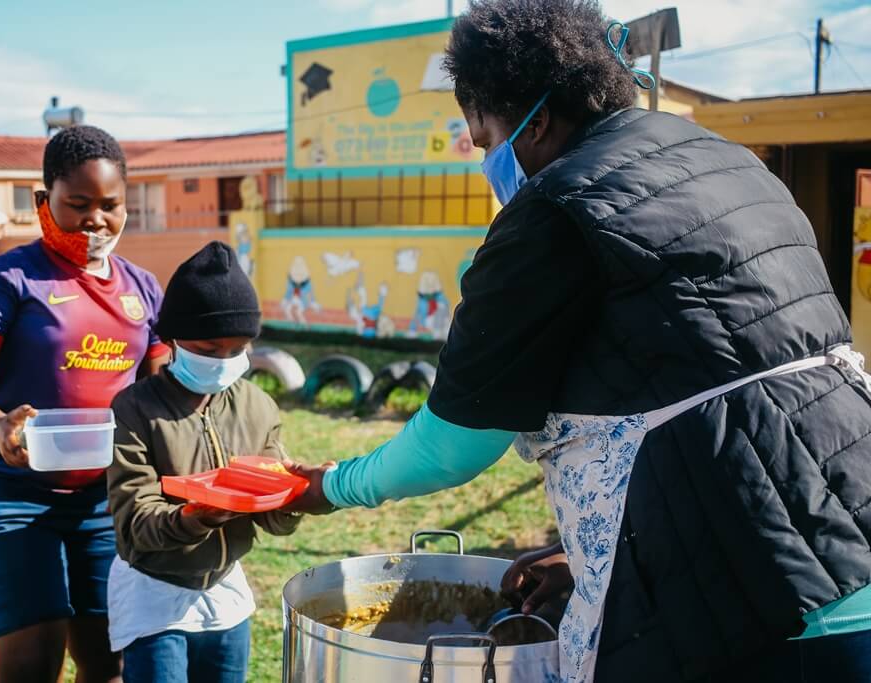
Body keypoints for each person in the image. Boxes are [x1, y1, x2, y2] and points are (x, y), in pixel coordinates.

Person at [287, 1, 871, 682]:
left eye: (484, 139)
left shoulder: (554, 210)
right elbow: (706, 379)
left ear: (535, 122)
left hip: (748, 607)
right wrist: (598, 557)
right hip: (852, 547)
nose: (487, 159)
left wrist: (330, 485)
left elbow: (453, 442)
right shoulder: (731, 165)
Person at [0, 125, 170, 683]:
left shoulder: (142, 289)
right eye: (79, 204)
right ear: (45, 201)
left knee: (108, 662)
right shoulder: (8, 279)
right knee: (31, 665)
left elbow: (161, 383)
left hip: (104, 499)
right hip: (9, 496)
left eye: (110, 205)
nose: (96, 219)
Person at [106, 241, 300, 683]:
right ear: (173, 340)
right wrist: (197, 517)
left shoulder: (258, 406)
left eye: (238, 349)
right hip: (153, 591)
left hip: (225, 588)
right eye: (209, 350)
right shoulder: (135, 410)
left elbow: (274, 520)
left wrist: (293, 495)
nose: (225, 362)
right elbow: (134, 522)